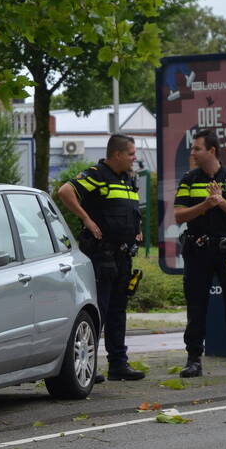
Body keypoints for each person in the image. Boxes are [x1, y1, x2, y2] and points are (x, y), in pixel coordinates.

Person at [57, 134, 144, 382]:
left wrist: (135, 229)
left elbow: (128, 211)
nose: (133, 158)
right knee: (99, 311)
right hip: (101, 254)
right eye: (130, 154)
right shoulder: (97, 174)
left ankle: (118, 364)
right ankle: (86, 366)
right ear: (117, 154)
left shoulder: (127, 180)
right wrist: (86, 218)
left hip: (122, 255)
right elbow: (65, 191)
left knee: (118, 311)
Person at [173, 128, 226, 377]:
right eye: (192, 148)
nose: (193, 153)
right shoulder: (189, 179)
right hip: (198, 250)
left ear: (211, 151)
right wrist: (205, 204)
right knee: (196, 305)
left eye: (197, 148)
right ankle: (193, 360)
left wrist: (221, 201)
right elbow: (179, 215)